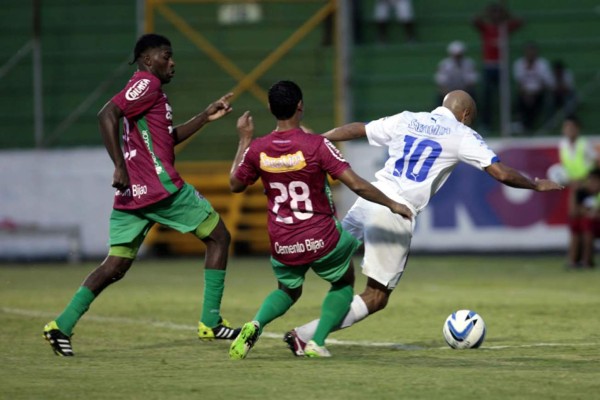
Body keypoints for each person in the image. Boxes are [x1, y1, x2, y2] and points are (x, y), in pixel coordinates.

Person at [284, 90, 564, 356]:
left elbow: (359, 128)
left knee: (322, 259)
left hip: (369, 200)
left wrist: (320, 140)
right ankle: (306, 336)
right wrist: (535, 184)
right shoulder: (462, 133)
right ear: (465, 114)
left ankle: (263, 317)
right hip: (394, 211)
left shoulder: (408, 118)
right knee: (376, 296)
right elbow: (500, 173)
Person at [43, 33, 238, 356]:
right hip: (160, 189)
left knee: (115, 265)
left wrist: (204, 116)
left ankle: (61, 326)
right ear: (148, 60)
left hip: (134, 195)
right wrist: (118, 165)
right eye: (166, 55)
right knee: (219, 236)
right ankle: (211, 322)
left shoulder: (151, 94)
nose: (172, 61)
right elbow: (106, 114)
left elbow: (166, 139)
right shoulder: (147, 84)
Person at [227, 80, 413, 359]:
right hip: (321, 238)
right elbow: (358, 185)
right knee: (342, 282)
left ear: (270, 108)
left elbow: (235, 184)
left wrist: (243, 139)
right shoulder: (317, 145)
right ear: (300, 106)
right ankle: (316, 342)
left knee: (288, 290)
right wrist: (392, 203)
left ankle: (256, 323)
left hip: (283, 242)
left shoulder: (258, 149)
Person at [473, 2, 523, 131]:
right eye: (494, 13)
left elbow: (520, 21)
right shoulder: (486, 28)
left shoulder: (505, 27)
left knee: (507, 95)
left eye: (498, 13)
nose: (496, 15)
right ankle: (486, 124)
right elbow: (474, 20)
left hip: (502, 66)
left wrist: (506, 14)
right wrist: (487, 12)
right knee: (487, 96)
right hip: (489, 66)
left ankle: (512, 122)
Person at [558, 116, 598, 268]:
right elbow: (565, 168)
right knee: (574, 221)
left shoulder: (584, 144)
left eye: (571, 127)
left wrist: (585, 180)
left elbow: (595, 164)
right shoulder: (563, 145)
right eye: (566, 127)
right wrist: (568, 181)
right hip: (574, 188)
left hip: (588, 188)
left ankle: (586, 260)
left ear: (577, 129)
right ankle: (574, 259)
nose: (568, 130)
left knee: (587, 221)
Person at [513, 42, 554, 132]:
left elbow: (546, 83)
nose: (530, 54)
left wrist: (534, 94)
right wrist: (527, 94)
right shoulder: (519, 64)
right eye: (528, 52)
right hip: (524, 93)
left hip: (539, 92)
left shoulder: (543, 64)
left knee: (541, 100)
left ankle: (532, 125)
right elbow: (519, 83)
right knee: (520, 100)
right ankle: (523, 124)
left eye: (532, 52)